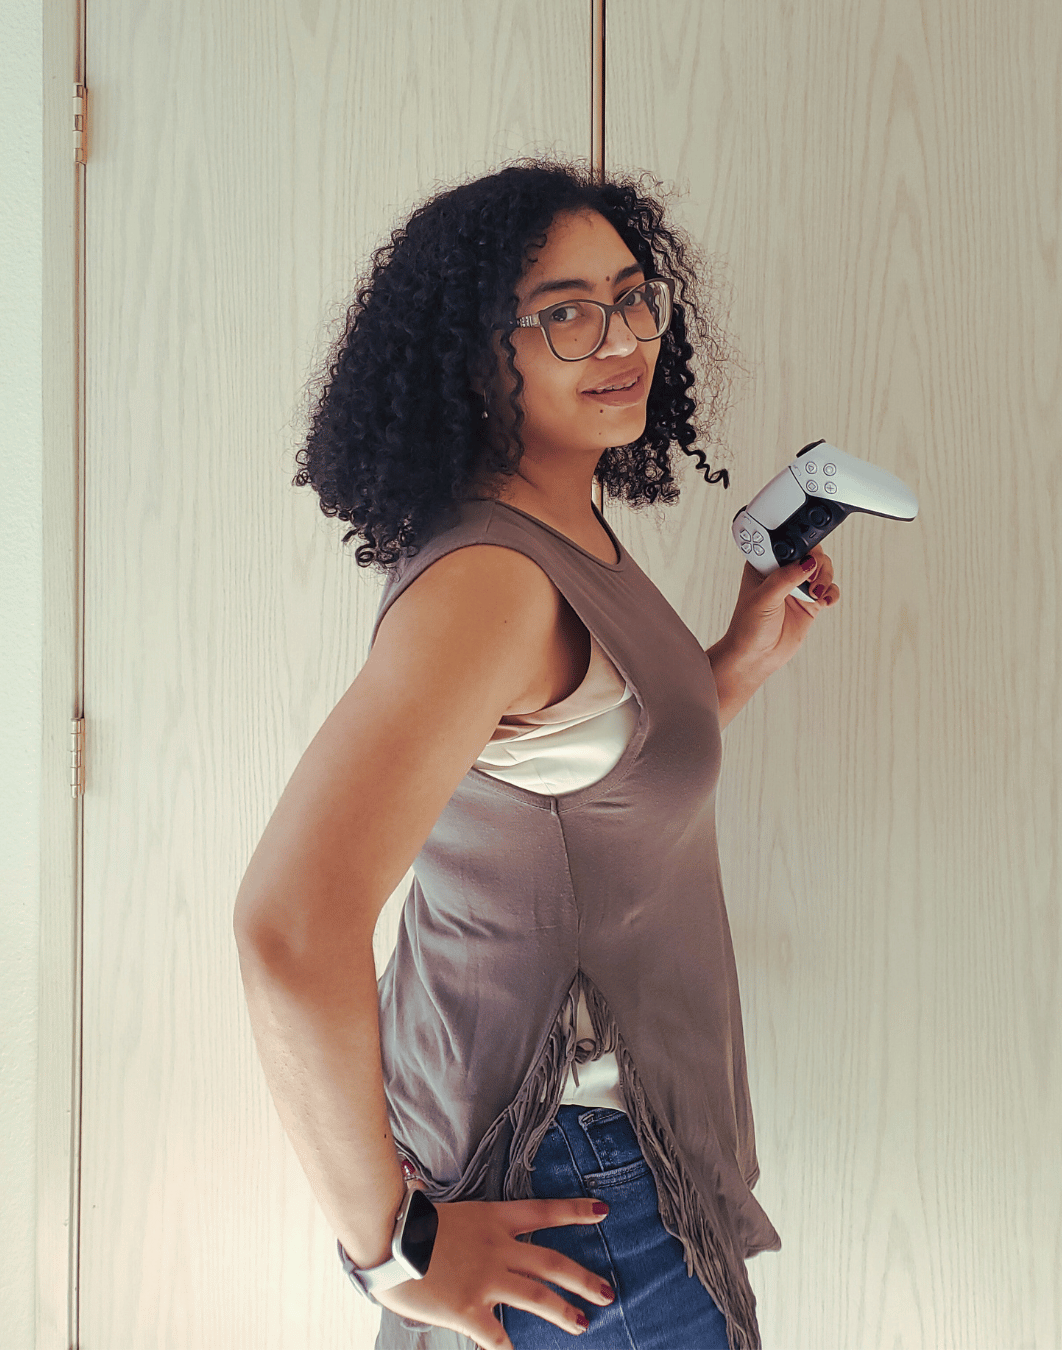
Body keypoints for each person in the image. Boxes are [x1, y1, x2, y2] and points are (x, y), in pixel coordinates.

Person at [232, 159, 838, 1350]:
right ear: (473, 352)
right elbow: (289, 929)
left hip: (616, 1171)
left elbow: (580, 784)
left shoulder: (559, 528)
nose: (619, 335)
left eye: (630, 294)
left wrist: (736, 664)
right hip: (581, 1192)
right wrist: (392, 1249)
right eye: (562, 311)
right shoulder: (493, 585)